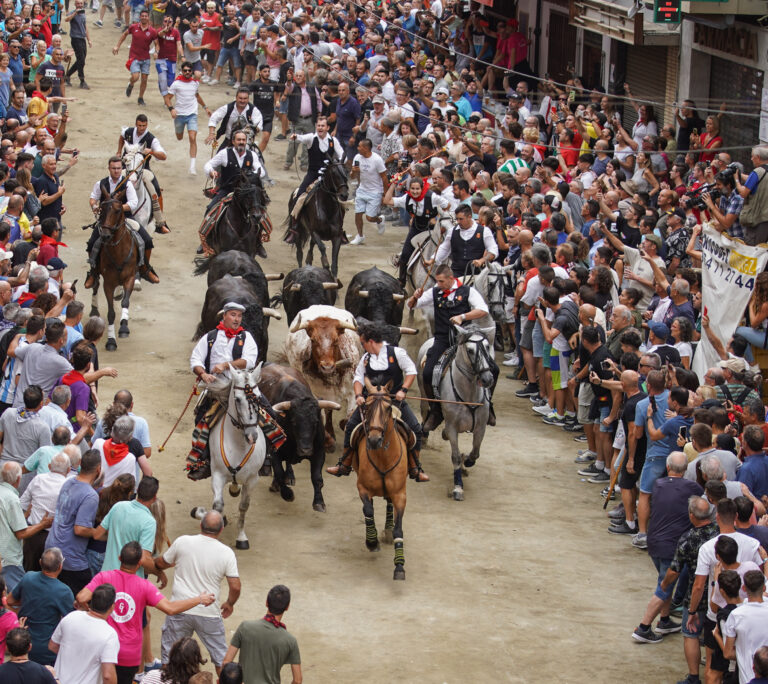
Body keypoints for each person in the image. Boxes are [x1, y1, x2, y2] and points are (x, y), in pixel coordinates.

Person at [77, 541, 215, 684]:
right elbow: (170, 608)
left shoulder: (104, 577)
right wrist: (199, 599)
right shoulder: (144, 586)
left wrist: (92, 612)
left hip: (102, 649)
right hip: (129, 655)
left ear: (119, 558)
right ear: (139, 564)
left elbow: (81, 597)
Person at [326, 322, 428, 482]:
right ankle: (344, 464)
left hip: (394, 401)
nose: (362, 346)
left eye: (363, 343)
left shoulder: (397, 353)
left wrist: (404, 390)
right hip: (370, 402)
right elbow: (358, 377)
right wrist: (359, 395)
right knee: (351, 426)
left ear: (371, 342)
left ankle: (415, 468)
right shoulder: (366, 358)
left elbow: (411, 371)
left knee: (416, 428)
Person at [407, 264, 496, 431]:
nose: (438, 284)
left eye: (441, 281)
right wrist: (414, 297)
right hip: (442, 339)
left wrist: (463, 316)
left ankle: (488, 405)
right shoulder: (435, 292)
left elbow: (483, 310)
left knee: (494, 369)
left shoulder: (468, 291)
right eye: (437, 281)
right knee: (427, 373)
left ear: (450, 278)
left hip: (465, 338)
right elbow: (412, 305)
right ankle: (435, 411)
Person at [154, 511, 239, 672]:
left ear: (200, 525)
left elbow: (162, 562)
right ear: (221, 530)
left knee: (169, 657)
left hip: (180, 608)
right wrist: (229, 603)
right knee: (221, 660)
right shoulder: (226, 552)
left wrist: (157, 566)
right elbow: (235, 586)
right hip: (209, 612)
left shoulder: (182, 542)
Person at [631, 451, 702, 643]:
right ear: (686, 469)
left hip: (654, 542)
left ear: (668, 467)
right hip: (673, 546)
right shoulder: (692, 488)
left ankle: (664, 620)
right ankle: (644, 627)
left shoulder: (658, 484)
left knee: (666, 580)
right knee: (664, 584)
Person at [186, 301, 257, 480]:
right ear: (224, 316)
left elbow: (249, 361)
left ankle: (269, 458)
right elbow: (196, 359)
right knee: (201, 419)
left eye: (239, 316)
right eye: (233, 315)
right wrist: (203, 375)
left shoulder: (246, 337)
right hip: (216, 389)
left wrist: (226, 365)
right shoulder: (210, 337)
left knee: (265, 413)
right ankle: (203, 461)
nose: (236, 319)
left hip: (240, 386)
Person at [86, 155, 160, 286]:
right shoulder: (101, 183)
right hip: (107, 221)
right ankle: (93, 272)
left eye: (119, 168)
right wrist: (95, 206)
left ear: (122, 169)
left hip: (124, 218)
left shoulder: (128, 184)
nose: (116, 171)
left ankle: (145, 269)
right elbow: (93, 198)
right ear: (109, 168)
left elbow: (133, 203)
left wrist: (118, 208)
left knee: (147, 240)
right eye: (113, 168)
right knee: (92, 243)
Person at [44, 449, 100, 595]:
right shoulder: (90, 495)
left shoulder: (68, 482)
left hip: (52, 549)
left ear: (80, 463)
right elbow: (80, 529)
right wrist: (97, 532)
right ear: (98, 469)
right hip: (70, 559)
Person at [91, 476, 166, 584]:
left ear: (137, 492)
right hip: (129, 582)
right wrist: (159, 573)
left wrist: (116, 535)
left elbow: (97, 535)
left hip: (107, 576)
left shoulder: (118, 506)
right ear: (154, 497)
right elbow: (144, 559)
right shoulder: (149, 522)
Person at [222, 585, 301, 684]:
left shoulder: (245, 627)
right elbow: (297, 681)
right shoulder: (291, 641)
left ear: (266, 603)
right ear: (287, 607)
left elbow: (226, 662)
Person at [7, 547, 74, 665]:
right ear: (60, 567)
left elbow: (10, 600)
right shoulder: (64, 591)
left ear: (40, 562)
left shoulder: (28, 577)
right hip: (47, 650)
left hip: (23, 644)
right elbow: (71, 622)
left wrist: (29, 600)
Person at [382, 176, 451, 285]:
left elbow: (447, 205)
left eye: (417, 189)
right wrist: (393, 185)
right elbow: (387, 200)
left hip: (434, 229)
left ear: (422, 188)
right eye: (412, 189)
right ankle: (402, 281)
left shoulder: (432, 197)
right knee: (405, 255)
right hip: (417, 228)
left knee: (448, 252)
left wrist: (437, 218)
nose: (415, 192)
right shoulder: (406, 198)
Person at [49, 583, 120, 684]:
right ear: (112, 607)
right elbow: (108, 675)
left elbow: (52, 646)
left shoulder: (71, 617)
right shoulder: (110, 634)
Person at [0, 462, 52, 592]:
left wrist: (25, 515)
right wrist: (42, 524)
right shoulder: (11, 498)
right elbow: (21, 533)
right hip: (8, 557)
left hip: (4, 556)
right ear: (18, 479)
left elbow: (7, 521)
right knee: (17, 595)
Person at [19, 453, 70, 571]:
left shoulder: (38, 479)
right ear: (68, 470)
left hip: (32, 535)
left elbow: (22, 504)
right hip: (55, 536)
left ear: (49, 466)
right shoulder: (68, 486)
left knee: (29, 571)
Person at [163, 61, 212, 175]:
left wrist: (205, 107)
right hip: (179, 115)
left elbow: (197, 95)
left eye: (189, 71)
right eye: (185, 70)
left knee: (192, 137)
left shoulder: (195, 83)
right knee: (179, 137)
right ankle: (192, 165)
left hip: (192, 114)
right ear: (182, 71)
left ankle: (192, 166)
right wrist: (172, 109)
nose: (187, 72)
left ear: (192, 72)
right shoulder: (176, 83)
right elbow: (167, 98)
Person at [723, 571, 768, 684]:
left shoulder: (736, 615)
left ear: (743, 588)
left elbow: (728, 653)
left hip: (746, 678)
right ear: (764, 588)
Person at [433, 204, 498, 278]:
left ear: (469, 217)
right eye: (457, 219)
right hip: (456, 274)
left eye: (461, 219)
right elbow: (444, 248)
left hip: (477, 275)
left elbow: (494, 250)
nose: (458, 222)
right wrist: (433, 259)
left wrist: (482, 260)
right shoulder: (452, 231)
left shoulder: (484, 231)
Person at [113, 9, 158, 106]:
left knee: (144, 79)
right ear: (140, 17)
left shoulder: (152, 31)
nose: (144, 17)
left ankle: (140, 98)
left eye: (146, 16)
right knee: (135, 76)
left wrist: (156, 52)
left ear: (148, 17)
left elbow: (157, 43)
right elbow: (124, 35)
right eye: (142, 16)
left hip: (145, 58)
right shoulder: (134, 27)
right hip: (134, 57)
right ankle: (131, 84)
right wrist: (117, 46)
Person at [349, 138, 388, 245]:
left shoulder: (377, 159)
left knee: (370, 218)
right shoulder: (357, 157)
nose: (358, 148)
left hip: (375, 191)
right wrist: (354, 171)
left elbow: (384, 177)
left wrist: (386, 193)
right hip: (362, 189)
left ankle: (379, 220)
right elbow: (352, 176)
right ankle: (360, 236)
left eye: (359, 146)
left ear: (366, 148)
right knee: (358, 214)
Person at [64, 0, 91, 89]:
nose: (79, 5)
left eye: (81, 3)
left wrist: (89, 39)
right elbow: (66, 19)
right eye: (78, 3)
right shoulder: (73, 13)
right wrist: (74, 13)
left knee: (81, 60)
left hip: (82, 39)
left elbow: (85, 26)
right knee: (81, 60)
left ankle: (67, 75)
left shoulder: (83, 14)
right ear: (75, 4)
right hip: (75, 38)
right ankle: (82, 80)